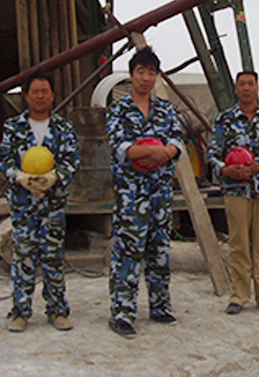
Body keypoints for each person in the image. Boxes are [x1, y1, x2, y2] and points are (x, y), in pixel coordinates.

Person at [106, 46, 184, 338]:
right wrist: (154, 151)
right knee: (128, 250)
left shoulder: (165, 108)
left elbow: (177, 139)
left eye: (152, 72)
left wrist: (166, 153)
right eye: (141, 71)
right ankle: (122, 312)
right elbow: (120, 146)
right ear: (131, 74)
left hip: (160, 192)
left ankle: (160, 306)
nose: (146, 77)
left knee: (159, 248)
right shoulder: (119, 109)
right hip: (131, 194)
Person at [0, 69, 80, 333]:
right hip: (23, 205)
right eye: (35, 92)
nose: (40, 96)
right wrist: (18, 176)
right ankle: (20, 312)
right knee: (23, 256)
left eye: (45, 91)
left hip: (53, 205)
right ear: (27, 96)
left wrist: (57, 176)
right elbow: (3, 159)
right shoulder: (13, 127)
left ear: (53, 95)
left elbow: (72, 160)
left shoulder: (63, 128)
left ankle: (57, 310)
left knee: (53, 256)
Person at [208, 70, 259, 317]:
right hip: (236, 191)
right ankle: (239, 296)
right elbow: (212, 155)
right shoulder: (224, 120)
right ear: (236, 89)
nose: (246, 88)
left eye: (250, 84)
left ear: (257, 88)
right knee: (238, 245)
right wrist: (227, 169)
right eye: (241, 84)